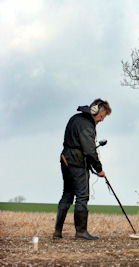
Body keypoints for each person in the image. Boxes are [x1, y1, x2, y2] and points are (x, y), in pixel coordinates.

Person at [53, 99, 111, 240]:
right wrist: (99, 169)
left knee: (67, 194)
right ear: (95, 110)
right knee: (82, 196)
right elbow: (90, 150)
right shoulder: (86, 125)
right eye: (102, 116)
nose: (102, 120)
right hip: (76, 163)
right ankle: (81, 232)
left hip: (66, 159)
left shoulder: (76, 118)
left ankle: (57, 231)